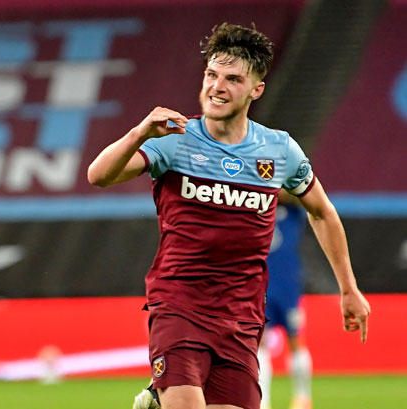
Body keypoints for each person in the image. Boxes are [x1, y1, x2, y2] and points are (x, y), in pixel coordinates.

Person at [86, 22, 370, 409]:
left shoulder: (280, 150)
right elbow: (98, 176)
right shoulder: (174, 138)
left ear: (257, 89)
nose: (216, 86)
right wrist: (139, 133)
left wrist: (349, 288)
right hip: (179, 303)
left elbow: (322, 212)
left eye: (232, 78)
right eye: (211, 74)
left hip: (241, 316)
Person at [258, 192, 312, 409]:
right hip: (261, 284)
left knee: (296, 339)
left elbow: (299, 194)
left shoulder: (294, 210)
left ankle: (302, 397)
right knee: (259, 341)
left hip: (288, 286)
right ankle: (263, 401)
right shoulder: (256, 205)